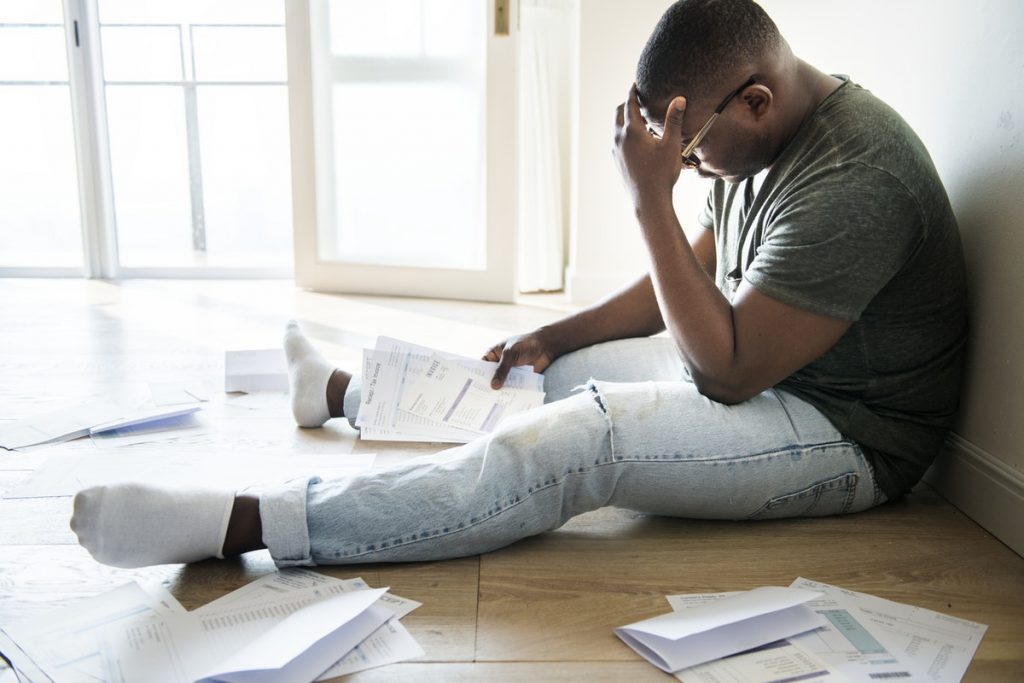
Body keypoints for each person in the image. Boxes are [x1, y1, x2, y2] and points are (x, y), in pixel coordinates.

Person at [71, 0, 966, 569]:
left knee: (580, 439)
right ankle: (341, 391)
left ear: (757, 101)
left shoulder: (856, 178)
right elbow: (689, 278)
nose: (692, 175)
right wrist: (562, 333)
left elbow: (727, 373)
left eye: (691, 156)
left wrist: (648, 201)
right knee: (542, 377)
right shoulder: (764, 142)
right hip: (770, 375)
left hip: (846, 436)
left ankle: (242, 526)